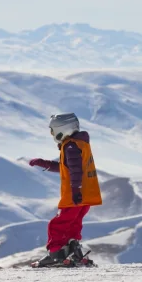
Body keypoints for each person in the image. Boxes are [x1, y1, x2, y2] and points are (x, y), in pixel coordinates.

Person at [28, 113, 102, 267]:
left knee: (57, 225)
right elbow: (67, 167)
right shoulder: (79, 144)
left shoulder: (70, 146)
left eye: (52, 130)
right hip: (87, 195)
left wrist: (76, 190)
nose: (52, 134)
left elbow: (76, 171)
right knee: (73, 224)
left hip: (75, 195)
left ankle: (56, 255)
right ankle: (74, 252)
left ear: (62, 129)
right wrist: (45, 164)